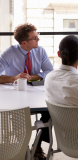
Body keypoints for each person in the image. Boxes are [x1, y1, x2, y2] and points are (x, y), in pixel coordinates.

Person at [0, 23, 53, 160]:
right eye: (35, 38)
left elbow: (50, 72)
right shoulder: (9, 53)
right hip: (16, 96)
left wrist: (33, 77)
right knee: (19, 115)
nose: (38, 40)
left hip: (37, 93)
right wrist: (14, 77)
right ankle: (22, 148)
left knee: (50, 111)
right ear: (24, 42)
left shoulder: (40, 51)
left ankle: (37, 145)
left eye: (37, 36)